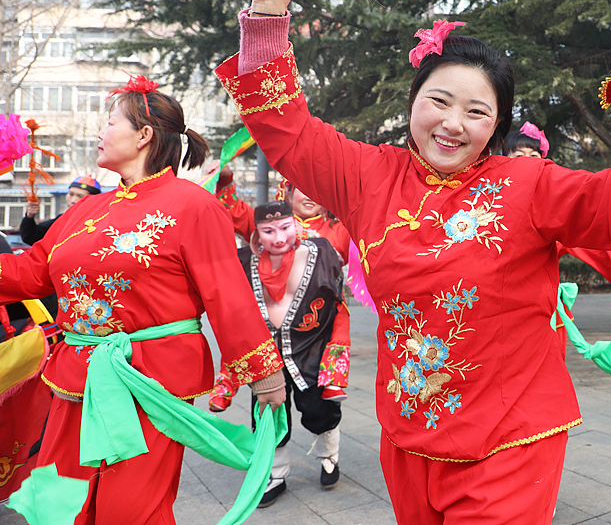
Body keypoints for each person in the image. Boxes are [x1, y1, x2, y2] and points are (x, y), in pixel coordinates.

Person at [213, 0, 611, 524]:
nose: (452, 124)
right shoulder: (369, 175)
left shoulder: (529, 184)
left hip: (511, 435)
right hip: (408, 432)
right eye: (438, 101)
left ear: (497, 126)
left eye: (477, 112)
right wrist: (268, 13)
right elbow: (285, 131)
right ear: (414, 103)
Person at [0, 77, 287, 524]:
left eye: (109, 121)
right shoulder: (85, 210)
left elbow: (226, 296)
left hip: (149, 382)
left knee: (130, 510)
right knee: (57, 503)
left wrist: (264, 376)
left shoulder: (193, 206)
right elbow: (32, 271)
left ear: (144, 135)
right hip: (76, 375)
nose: (100, 132)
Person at [210, 200, 350, 507]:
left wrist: (336, 359)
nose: (278, 237)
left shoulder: (321, 251)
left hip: (310, 350)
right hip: (266, 354)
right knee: (267, 415)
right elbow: (233, 314)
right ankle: (275, 474)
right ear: (257, 232)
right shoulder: (243, 260)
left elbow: (337, 304)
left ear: (295, 225)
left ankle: (330, 456)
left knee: (320, 411)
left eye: (285, 227)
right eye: (268, 230)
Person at [505, 122, 611, 353]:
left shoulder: (550, 205)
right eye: (519, 155)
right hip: (496, 314)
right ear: (503, 158)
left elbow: (590, 244)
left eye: (534, 155)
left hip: (541, 315)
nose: (527, 160)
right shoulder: (488, 202)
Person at [212, 165, 351, 261]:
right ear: (288, 195)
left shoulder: (339, 230)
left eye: (317, 193)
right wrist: (225, 178)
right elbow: (233, 209)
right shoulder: (268, 224)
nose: (311, 197)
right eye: (305, 191)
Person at [19, 174, 102, 245]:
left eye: (80, 196)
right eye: (71, 194)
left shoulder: (101, 222)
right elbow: (31, 237)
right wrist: (29, 216)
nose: (73, 200)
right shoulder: (62, 220)